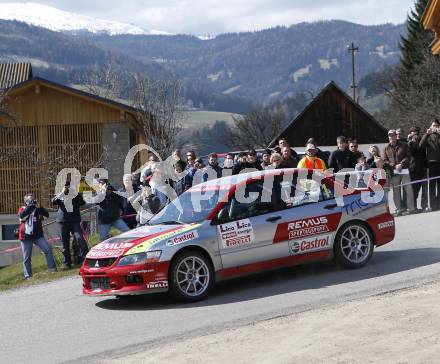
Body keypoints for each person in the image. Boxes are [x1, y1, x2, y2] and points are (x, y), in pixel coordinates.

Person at [18, 194, 57, 279]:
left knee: (48, 249)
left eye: (33, 199)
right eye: (30, 200)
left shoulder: (37, 209)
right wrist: (30, 207)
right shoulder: (22, 209)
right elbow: (22, 217)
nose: (33, 201)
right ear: (26, 202)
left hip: (37, 235)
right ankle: (28, 276)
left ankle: (52, 269)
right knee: (27, 257)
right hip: (26, 237)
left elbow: (46, 215)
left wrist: (39, 207)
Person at [52, 182, 89, 268]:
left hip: (74, 221)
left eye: (68, 186)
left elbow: (82, 202)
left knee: (80, 238)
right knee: (65, 243)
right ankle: (67, 263)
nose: (67, 188)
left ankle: (86, 259)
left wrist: (74, 193)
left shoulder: (75, 195)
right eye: (66, 186)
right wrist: (62, 193)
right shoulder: (60, 195)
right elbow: (53, 201)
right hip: (63, 221)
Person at [383, 129, 415, 216]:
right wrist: (394, 165)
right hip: (394, 172)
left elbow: (408, 156)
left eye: (393, 135)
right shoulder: (386, 148)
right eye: (390, 135)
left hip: (404, 170)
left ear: (395, 136)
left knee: (408, 189)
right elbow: (385, 160)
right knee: (396, 191)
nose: (391, 137)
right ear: (388, 136)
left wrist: (401, 164)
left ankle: (411, 208)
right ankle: (399, 209)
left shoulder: (404, 145)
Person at [420, 119, 440, 211]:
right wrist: (426, 134)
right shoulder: (428, 136)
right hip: (432, 163)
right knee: (432, 184)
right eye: (433, 125)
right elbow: (421, 145)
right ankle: (432, 205)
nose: (435, 127)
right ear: (431, 126)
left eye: (437, 125)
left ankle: (438, 204)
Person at [408, 126, 428, 212]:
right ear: (411, 133)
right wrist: (411, 141)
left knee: (424, 189)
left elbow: (424, 152)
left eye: (417, 133)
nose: (416, 134)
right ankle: (414, 207)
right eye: (414, 133)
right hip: (413, 169)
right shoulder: (409, 143)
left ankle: (424, 206)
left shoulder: (422, 141)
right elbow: (410, 152)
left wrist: (426, 167)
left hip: (422, 168)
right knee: (414, 190)